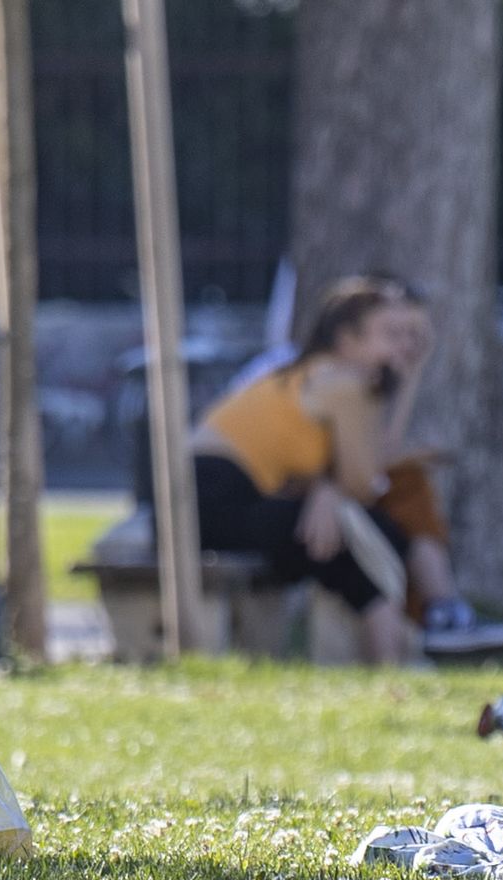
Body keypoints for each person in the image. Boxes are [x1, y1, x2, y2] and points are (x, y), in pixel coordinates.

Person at [172, 274, 437, 663]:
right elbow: (364, 483)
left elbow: (359, 466)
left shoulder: (310, 373)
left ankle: (392, 656)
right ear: (348, 339)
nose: (406, 345)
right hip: (213, 500)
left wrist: (324, 489)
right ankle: (398, 655)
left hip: (196, 499)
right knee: (373, 536)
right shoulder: (346, 383)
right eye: (391, 334)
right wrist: (329, 490)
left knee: (352, 545)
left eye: (410, 334)